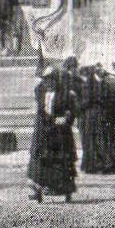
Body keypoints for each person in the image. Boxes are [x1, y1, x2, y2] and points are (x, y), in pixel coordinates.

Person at [28, 64, 78, 202]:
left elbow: (72, 110)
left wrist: (66, 119)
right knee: (39, 160)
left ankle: (63, 190)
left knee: (60, 161)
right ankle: (38, 188)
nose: (48, 83)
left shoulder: (65, 94)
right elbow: (41, 109)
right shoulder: (40, 91)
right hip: (43, 131)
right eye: (45, 80)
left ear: (56, 80)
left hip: (59, 132)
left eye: (51, 80)